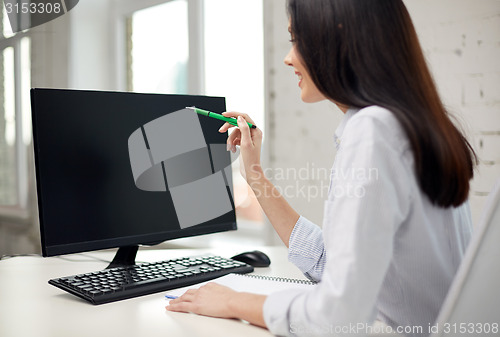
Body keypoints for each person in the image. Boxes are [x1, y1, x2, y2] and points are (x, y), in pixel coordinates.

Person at [166, 0, 477, 336]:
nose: (289, 57)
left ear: (336, 38)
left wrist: (232, 302)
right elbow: (335, 264)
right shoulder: (409, 124)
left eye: (297, 40)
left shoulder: (373, 131)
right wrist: (253, 173)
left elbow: (335, 316)